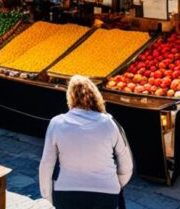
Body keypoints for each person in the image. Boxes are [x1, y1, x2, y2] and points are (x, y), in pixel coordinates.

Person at [39, 75, 132, 209]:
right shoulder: (110, 123)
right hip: (105, 194)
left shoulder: (56, 123)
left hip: (67, 193)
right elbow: (126, 165)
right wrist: (114, 184)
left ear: (69, 99)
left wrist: (48, 198)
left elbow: (46, 165)